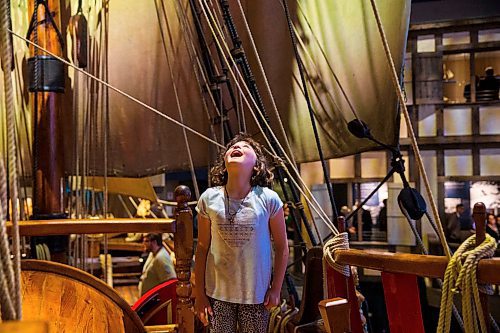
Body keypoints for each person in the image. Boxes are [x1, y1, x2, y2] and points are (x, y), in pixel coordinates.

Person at [194, 134, 289, 332]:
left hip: (256, 296)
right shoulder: (208, 198)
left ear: (256, 165)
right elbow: (202, 247)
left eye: (246, 146)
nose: (237, 147)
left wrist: (276, 289)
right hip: (217, 294)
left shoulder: (269, 199)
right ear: (224, 162)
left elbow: (282, 247)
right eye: (232, 146)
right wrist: (200, 293)